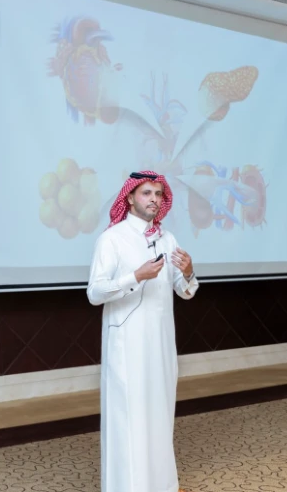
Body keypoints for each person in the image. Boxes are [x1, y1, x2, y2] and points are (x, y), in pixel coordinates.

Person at [87, 170, 199, 492]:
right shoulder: (112, 239)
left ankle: (162, 485)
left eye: (159, 194)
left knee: (160, 414)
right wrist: (135, 276)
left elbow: (184, 291)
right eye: (147, 193)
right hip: (127, 346)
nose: (154, 199)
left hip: (161, 344)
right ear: (130, 197)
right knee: (129, 417)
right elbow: (95, 293)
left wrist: (189, 273)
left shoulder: (167, 239)